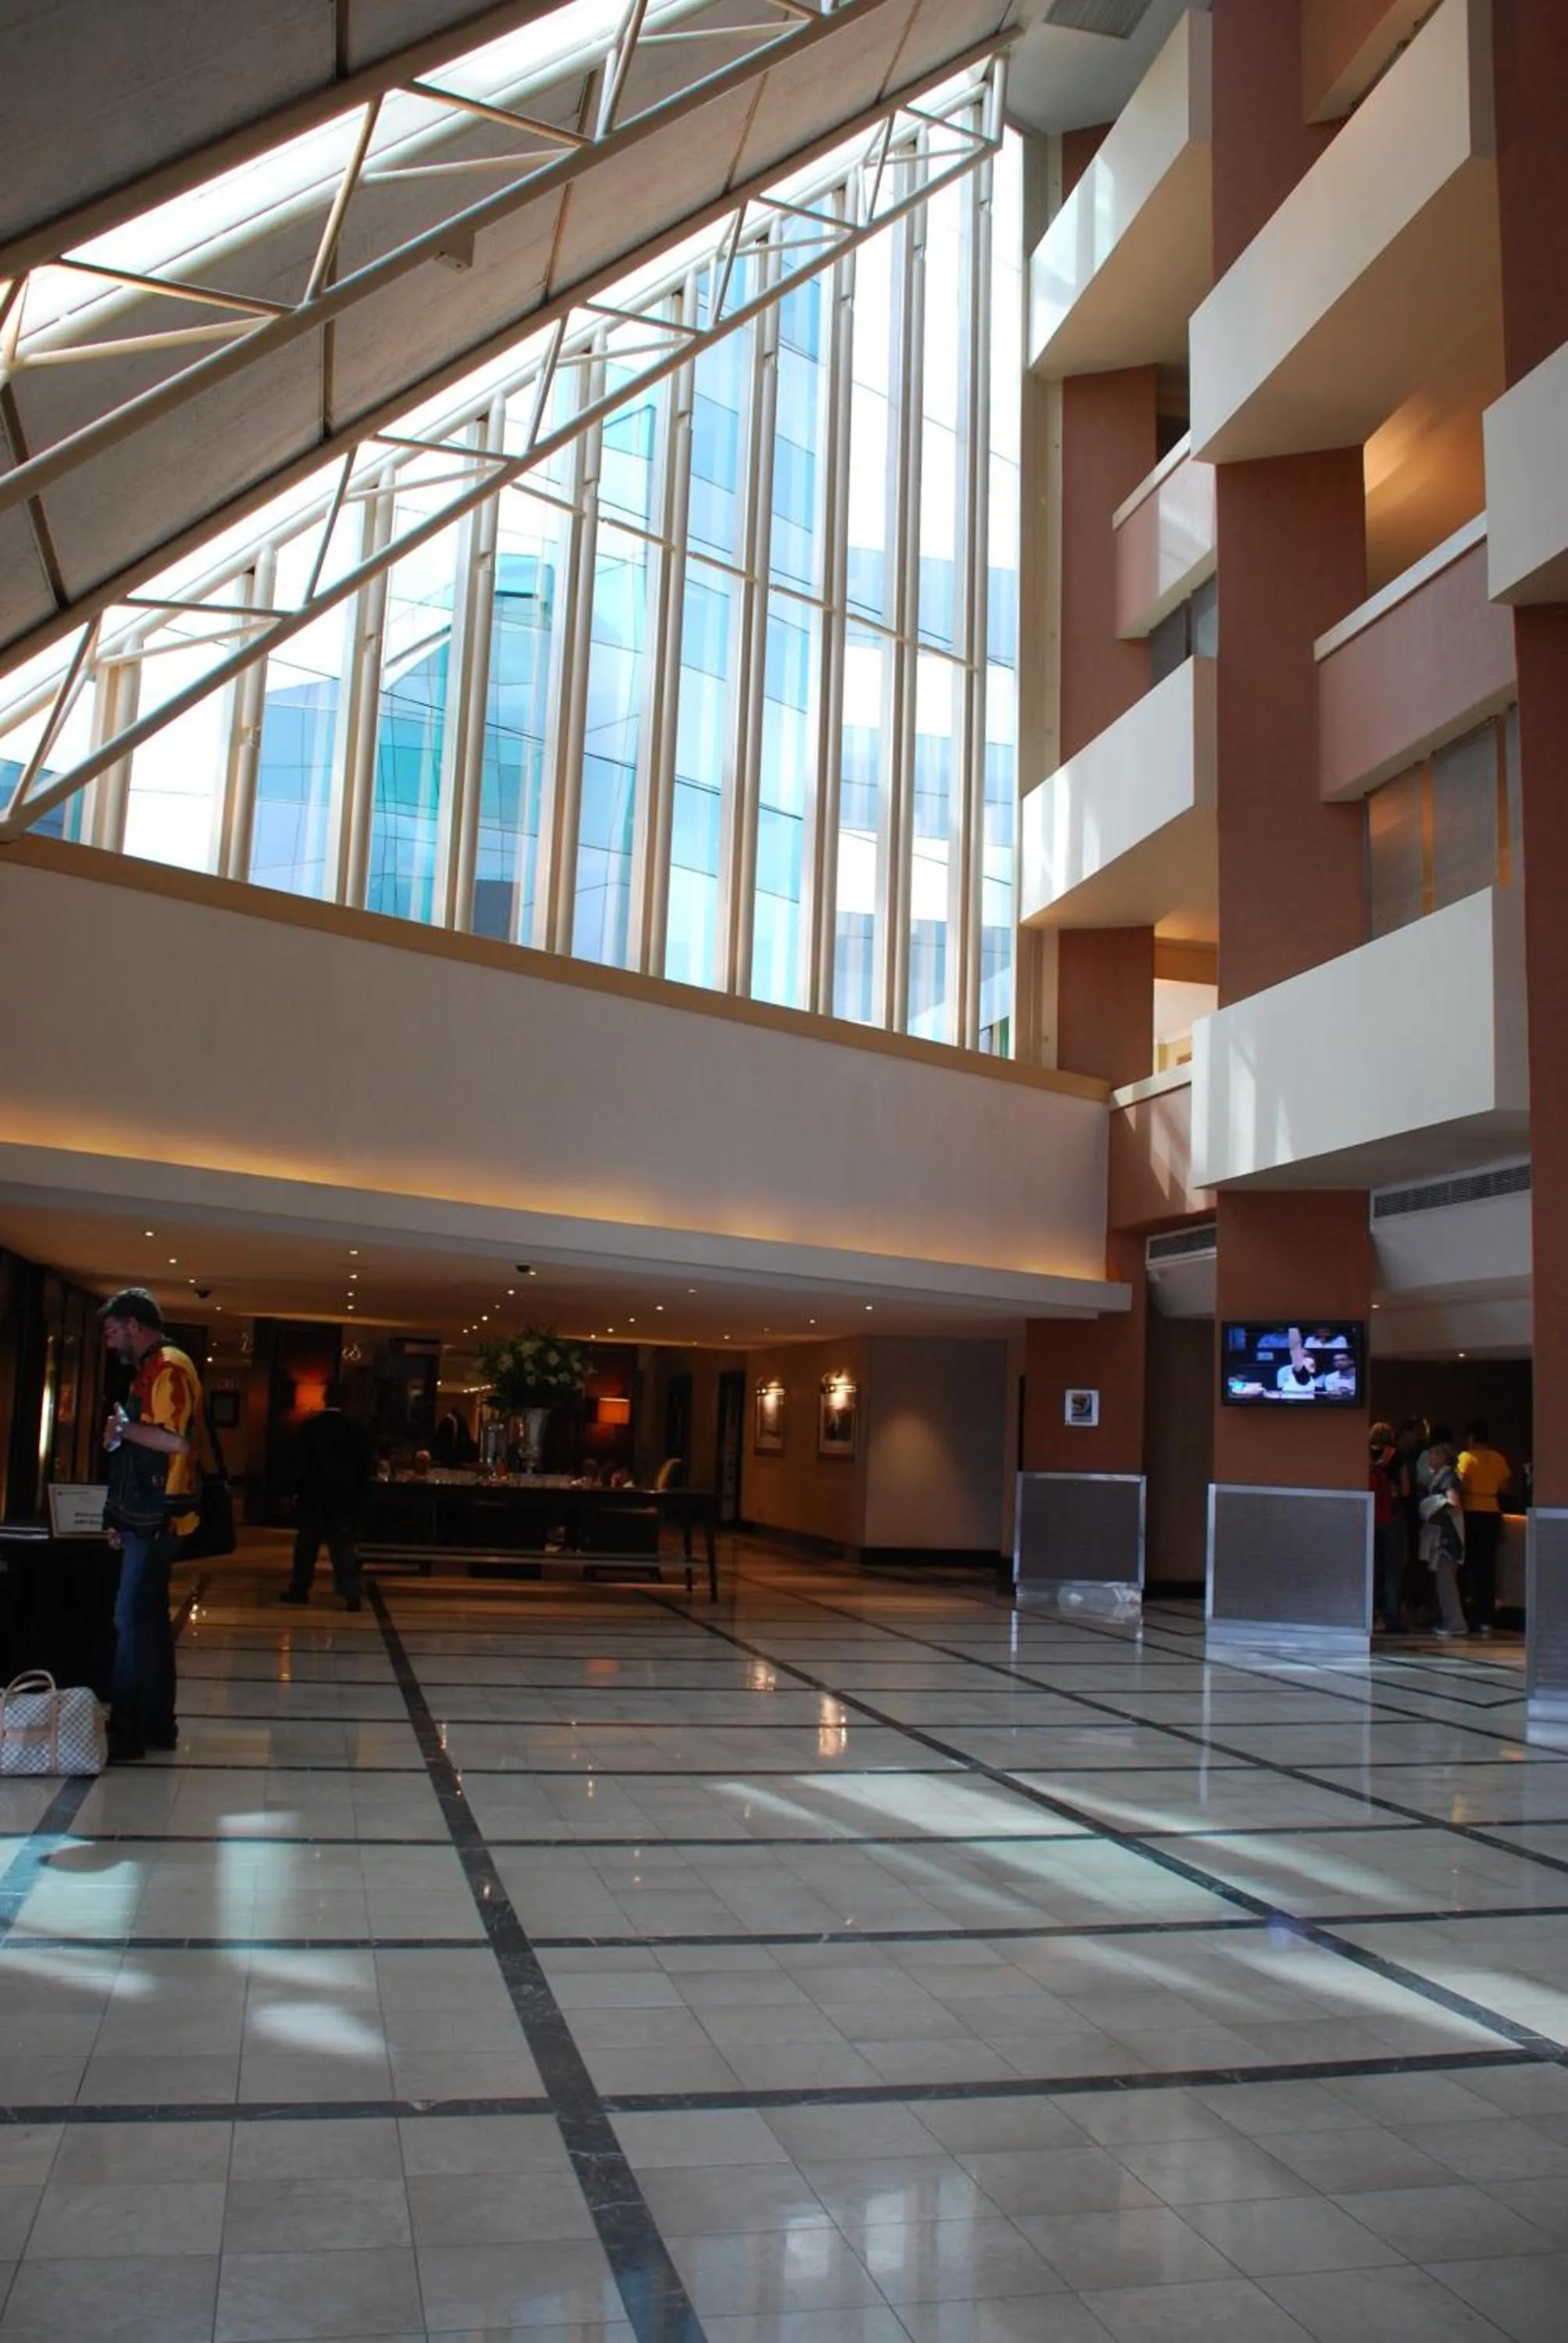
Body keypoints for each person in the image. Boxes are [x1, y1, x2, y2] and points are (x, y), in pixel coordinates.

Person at [98, 1288, 201, 1762]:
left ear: (135, 1325)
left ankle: (131, 1729)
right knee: (148, 1621)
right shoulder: (156, 1367)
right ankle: (157, 1723)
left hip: (157, 1514)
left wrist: (122, 1430)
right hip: (150, 1512)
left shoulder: (168, 1367)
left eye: (113, 1330)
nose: (109, 1341)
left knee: (133, 1620)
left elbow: (175, 1442)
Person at [282, 1385, 375, 1610]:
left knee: (306, 1548)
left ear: (324, 1399)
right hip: (343, 1499)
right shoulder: (357, 1431)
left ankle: (300, 1590)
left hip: (312, 1497)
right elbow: (365, 1470)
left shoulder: (311, 1428)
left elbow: (298, 1464)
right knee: (342, 1550)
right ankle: (351, 1594)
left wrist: (293, 1492)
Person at [1457, 1420, 1511, 1638]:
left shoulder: (1465, 1457)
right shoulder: (1499, 1459)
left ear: (1471, 1438)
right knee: (1487, 1567)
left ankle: (1470, 1617)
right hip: (1492, 1512)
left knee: (1468, 1565)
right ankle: (1487, 1618)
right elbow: (1504, 1487)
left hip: (1471, 1512)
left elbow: (1459, 1482)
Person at [1419, 1424, 1467, 1639]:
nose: (1429, 1457)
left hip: (1448, 1536)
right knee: (1442, 1581)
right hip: (1441, 1534)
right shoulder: (1441, 1477)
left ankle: (1455, 1623)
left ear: (1442, 1457)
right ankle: (1449, 1620)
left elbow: (1454, 1504)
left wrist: (1434, 1507)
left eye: (1433, 1454)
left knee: (1446, 1582)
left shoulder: (1448, 1478)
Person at [1370, 1421, 1408, 1632]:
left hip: (1370, 1514)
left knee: (1372, 1566)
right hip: (1393, 1515)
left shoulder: (1364, 1454)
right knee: (1393, 1568)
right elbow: (1406, 1489)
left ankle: (1371, 1614)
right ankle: (1392, 1618)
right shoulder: (1398, 1456)